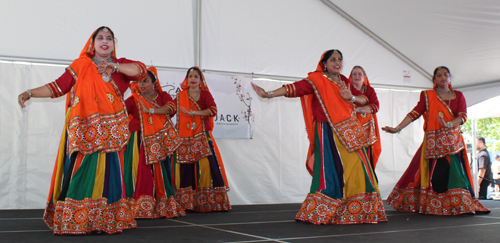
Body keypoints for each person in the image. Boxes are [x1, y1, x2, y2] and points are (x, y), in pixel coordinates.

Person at [18, 26, 148, 235]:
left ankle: (105, 219)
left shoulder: (121, 66)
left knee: (110, 173)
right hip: (84, 130)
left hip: (110, 132)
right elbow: (57, 87)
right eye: (100, 37)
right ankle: (76, 218)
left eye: (109, 38)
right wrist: (29, 92)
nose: (104, 41)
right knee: (80, 170)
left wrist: (114, 67)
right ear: (92, 43)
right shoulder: (80, 65)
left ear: (113, 44)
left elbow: (142, 70)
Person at [251, 50, 387, 225]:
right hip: (328, 130)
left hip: (350, 131)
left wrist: (351, 97)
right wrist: (268, 94)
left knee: (361, 166)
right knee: (332, 170)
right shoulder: (317, 79)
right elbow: (294, 88)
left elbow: (364, 100)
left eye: (340, 59)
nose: (337, 62)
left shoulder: (344, 81)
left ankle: (358, 209)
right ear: (324, 63)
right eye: (332, 59)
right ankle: (330, 209)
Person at [382, 66, 490, 215]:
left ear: (450, 78)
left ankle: (457, 204)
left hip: (453, 143)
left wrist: (449, 124)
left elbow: (463, 116)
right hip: (433, 143)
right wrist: (398, 128)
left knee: (454, 174)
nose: (443, 77)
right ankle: (439, 204)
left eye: (446, 75)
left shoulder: (458, 95)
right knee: (437, 176)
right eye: (439, 75)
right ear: (434, 80)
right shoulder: (427, 96)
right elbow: (414, 113)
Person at [123, 67, 186, 218]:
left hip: (158, 141)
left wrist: (150, 110)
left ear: (154, 82)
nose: (142, 84)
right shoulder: (133, 99)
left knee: (160, 171)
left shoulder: (162, 96)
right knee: (138, 171)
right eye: (139, 81)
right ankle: (137, 203)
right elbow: (119, 111)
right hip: (137, 140)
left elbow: (171, 109)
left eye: (145, 81)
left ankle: (159, 203)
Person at [173, 66, 231, 212]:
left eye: (195, 76)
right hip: (185, 137)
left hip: (201, 135)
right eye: (190, 76)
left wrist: (194, 112)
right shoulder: (180, 96)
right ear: (187, 79)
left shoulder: (205, 95)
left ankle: (210, 202)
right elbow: (171, 109)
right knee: (185, 168)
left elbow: (213, 110)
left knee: (206, 166)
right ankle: (187, 203)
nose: (192, 79)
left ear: (200, 80)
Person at [349, 66, 382, 169]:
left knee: (366, 159)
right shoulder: (347, 91)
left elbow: (375, 107)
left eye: (360, 74)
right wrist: (365, 107)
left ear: (364, 77)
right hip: (350, 129)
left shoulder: (369, 90)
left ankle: (367, 182)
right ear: (351, 77)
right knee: (352, 159)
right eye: (354, 74)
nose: (357, 76)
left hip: (366, 132)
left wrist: (357, 110)